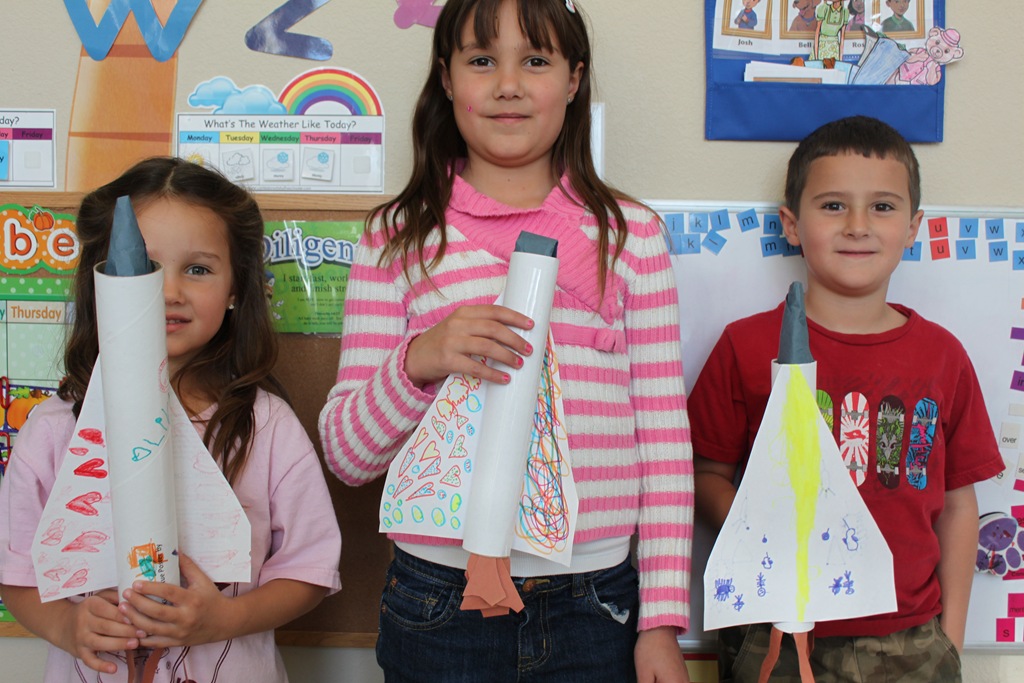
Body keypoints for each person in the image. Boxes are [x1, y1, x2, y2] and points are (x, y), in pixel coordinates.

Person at [318, 0, 693, 681]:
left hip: (594, 600)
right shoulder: (397, 236)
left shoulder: (631, 237)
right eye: (483, 60)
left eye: (537, 61)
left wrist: (662, 621)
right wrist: (420, 360)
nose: (509, 85)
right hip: (438, 599)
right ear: (447, 77)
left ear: (574, 80)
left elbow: (664, 442)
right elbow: (347, 456)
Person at [0, 157, 342, 682]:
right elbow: (16, 569)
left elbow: (309, 567)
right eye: (145, 268)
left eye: (198, 269)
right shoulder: (52, 430)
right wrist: (67, 626)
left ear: (236, 288)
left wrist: (224, 619)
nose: (169, 291)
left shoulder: (267, 427)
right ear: (100, 284)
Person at [689, 116, 1003, 682]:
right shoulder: (744, 345)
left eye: (882, 207)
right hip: (774, 631)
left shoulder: (942, 356)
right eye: (833, 206)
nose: (858, 226)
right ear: (791, 224)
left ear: (913, 227)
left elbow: (959, 506)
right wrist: (764, 525)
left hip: (909, 638)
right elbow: (704, 474)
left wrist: (951, 640)